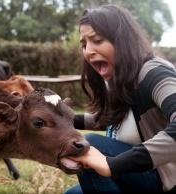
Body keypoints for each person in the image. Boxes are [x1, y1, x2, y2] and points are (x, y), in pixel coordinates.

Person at [64, 4, 176, 193]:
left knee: (92, 144)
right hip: (141, 173)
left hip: (167, 180)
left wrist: (113, 165)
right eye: (84, 45)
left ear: (122, 40)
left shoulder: (155, 74)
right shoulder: (122, 77)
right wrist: (64, 117)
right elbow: (114, 119)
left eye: (97, 40)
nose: (88, 52)